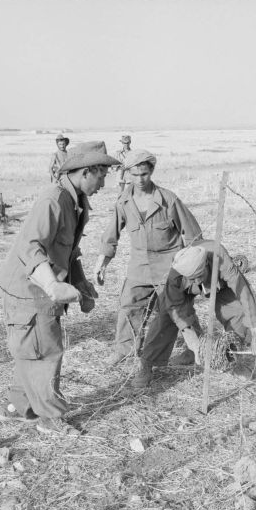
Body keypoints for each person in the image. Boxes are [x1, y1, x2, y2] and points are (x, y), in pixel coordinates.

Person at [0, 141, 120, 435]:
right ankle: (50, 418)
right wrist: (52, 285)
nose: (104, 183)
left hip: (40, 287)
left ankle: (18, 406)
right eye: (102, 176)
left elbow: (68, 251)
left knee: (33, 349)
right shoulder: (53, 200)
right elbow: (30, 247)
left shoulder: (74, 201)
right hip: (28, 289)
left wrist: (81, 284)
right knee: (45, 351)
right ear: (86, 172)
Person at [94, 149, 203, 366]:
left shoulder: (168, 200)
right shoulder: (124, 202)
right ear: (127, 174)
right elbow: (111, 234)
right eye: (134, 175)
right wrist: (102, 262)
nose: (140, 180)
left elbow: (193, 234)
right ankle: (125, 350)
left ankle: (196, 349)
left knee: (178, 310)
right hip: (139, 265)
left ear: (151, 171)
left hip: (169, 266)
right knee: (129, 305)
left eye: (144, 174)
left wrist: (195, 270)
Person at [132, 240, 256, 387]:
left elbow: (242, 289)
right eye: (192, 278)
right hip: (183, 291)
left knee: (237, 310)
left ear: (206, 264)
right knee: (166, 315)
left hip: (219, 285)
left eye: (199, 276)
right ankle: (147, 364)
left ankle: (232, 361)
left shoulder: (220, 258)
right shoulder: (176, 274)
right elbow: (177, 310)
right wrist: (196, 347)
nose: (196, 281)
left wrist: (254, 331)